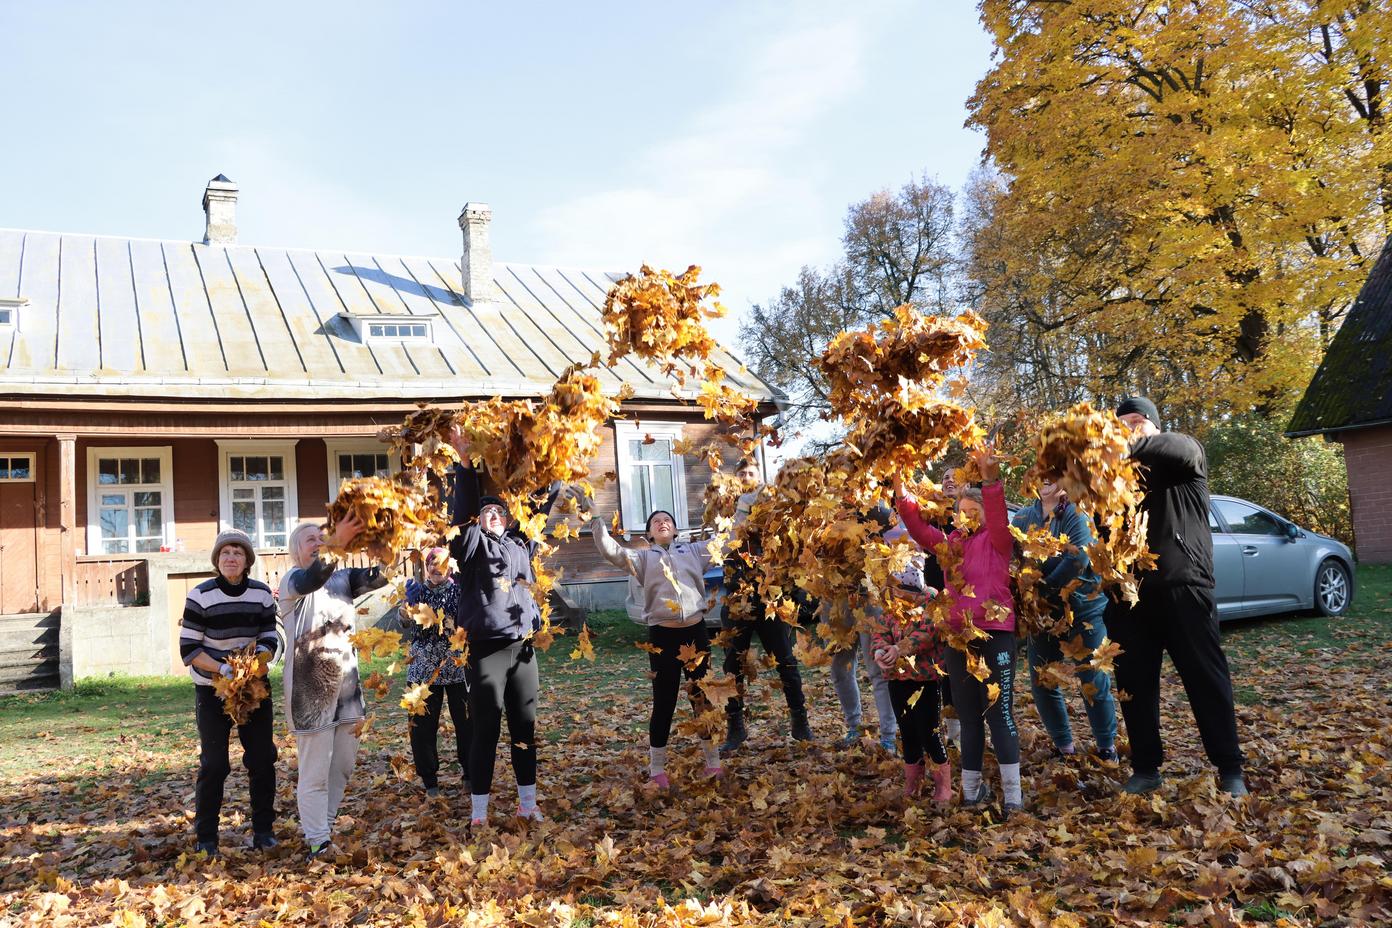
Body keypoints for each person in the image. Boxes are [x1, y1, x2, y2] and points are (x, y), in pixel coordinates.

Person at [1108, 396, 1246, 796]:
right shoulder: (1113, 482)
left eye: (1136, 421)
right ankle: (1146, 768)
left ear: (1153, 424)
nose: (1130, 429)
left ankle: (1230, 768)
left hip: (1184, 585)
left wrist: (1115, 443)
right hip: (1129, 597)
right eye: (1122, 424)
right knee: (1134, 685)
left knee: (1206, 678)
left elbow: (1170, 446)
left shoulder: (1183, 454)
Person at [895, 446, 1024, 815]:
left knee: (1000, 715)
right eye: (961, 513)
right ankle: (971, 790)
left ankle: (1013, 795)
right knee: (968, 717)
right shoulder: (950, 545)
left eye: (974, 512)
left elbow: (999, 519)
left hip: (994, 633)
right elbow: (920, 530)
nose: (966, 518)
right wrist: (903, 494)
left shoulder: (999, 540)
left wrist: (990, 479)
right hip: (957, 638)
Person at [443, 450, 560, 826]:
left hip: (522, 649)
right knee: (486, 730)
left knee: (524, 728)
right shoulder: (472, 548)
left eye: (500, 511)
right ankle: (480, 812)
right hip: (486, 651)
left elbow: (541, 503)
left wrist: (553, 460)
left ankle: (528, 803)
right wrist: (465, 468)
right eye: (486, 512)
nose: (494, 514)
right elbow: (461, 522)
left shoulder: (521, 545)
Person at [591, 503, 724, 787]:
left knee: (702, 699)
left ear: (675, 530)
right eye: (656, 522)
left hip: (695, 635)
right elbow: (610, 550)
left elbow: (725, 541)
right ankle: (657, 769)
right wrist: (596, 519)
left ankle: (714, 763)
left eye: (667, 520)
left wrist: (745, 506)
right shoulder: (642, 558)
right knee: (664, 702)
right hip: (663, 638)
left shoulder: (693, 551)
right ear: (650, 534)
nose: (662, 523)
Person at [279, 513, 385, 858]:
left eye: (321, 536)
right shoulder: (293, 581)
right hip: (311, 690)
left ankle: (323, 826)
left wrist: (387, 540)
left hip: (348, 687)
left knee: (342, 764)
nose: (318, 541)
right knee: (315, 769)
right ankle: (317, 839)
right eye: (309, 539)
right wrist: (337, 543)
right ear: (297, 550)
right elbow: (314, 577)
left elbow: (380, 576)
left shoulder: (342, 578)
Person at [180, 529, 280, 856]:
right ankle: (206, 837)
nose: (231, 558)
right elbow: (190, 648)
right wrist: (222, 669)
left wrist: (257, 665)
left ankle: (264, 831)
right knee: (214, 764)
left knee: (262, 758)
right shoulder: (200, 595)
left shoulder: (262, 594)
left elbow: (270, 636)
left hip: (253, 687)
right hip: (212, 688)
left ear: (248, 560)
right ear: (217, 560)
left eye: (238, 552)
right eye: (225, 553)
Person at [1011, 478, 1119, 761]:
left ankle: (1107, 747)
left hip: (1085, 610)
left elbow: (1078, 559)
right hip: (1044, 616)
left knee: (1092, 678)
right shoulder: (1024, 516)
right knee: (1042, 680)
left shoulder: (1075, 511)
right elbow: (1012, 558)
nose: (1044, 479)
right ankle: (1064, 746)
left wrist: (1041, 588)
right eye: (1040, 471)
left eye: (1052, 472)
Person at [719, 457, 813, 754]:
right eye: (742, 473)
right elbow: (724, 545)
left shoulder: (776, 510)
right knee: (732, 663)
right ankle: (735, 728)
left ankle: (800, 721)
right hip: (737, 596)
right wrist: (742, 509)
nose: (747, 477)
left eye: (752, 473)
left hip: (770, 597)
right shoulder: (725, 509)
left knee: (785, 659)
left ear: (761, 477)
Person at [870, 580, 952, 803]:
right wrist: (879, 650)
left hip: (926, 677)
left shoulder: (932, 599)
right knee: (907, 732)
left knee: (930, 732)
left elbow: (929, 631)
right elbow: (880, 630)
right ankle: (913, 782)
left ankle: (943, 785)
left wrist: (899, 648)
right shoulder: (890, 600)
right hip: (897, 678)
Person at [826, 506, 900, 753]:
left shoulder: (875, 502)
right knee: (840, 667)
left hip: (871, 597)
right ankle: (853, 727)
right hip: (836, 599)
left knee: (878, 667)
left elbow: (891, 528)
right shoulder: (824, 505)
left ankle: (888, 736)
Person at [402, 546, 470, 798]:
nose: (435, 568)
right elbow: (405, 622)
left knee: (467, 723)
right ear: (426, 568)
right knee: (421, 727)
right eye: (431, 564)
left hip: (457, 665)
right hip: (422, 666)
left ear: (449, 567)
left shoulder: (461, 590)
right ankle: (429, 780)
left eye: (440, 563)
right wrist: (407, 608)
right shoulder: (417, 591)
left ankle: (470, 775)